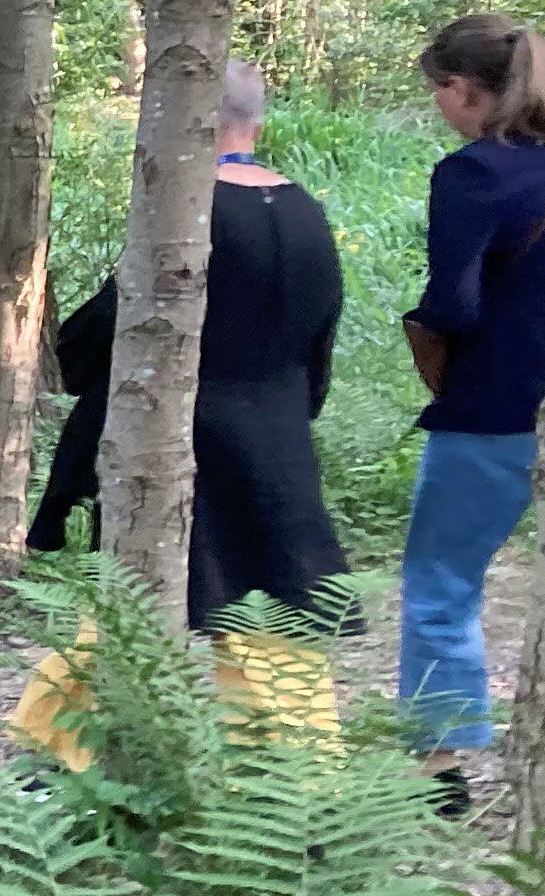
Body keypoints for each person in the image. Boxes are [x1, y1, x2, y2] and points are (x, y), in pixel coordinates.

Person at [27, 60, 349, 628]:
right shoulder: (308, 212)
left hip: (176, 440)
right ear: (258, 119)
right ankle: (287, 723)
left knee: (132, 618)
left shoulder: (185, 217)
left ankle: (96, 719)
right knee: (277, 617)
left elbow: (100, 332)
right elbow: (320, 340)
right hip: (281, 439)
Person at [397, 12, 545, 774]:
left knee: (440, 581)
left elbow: (454, 304)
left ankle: (440, 768)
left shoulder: (474, 173)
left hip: (496, 409)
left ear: (460, 90)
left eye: (437, 92)